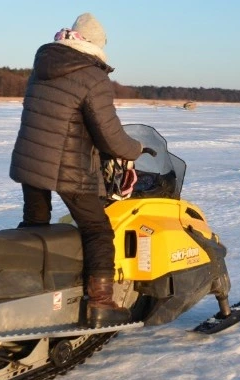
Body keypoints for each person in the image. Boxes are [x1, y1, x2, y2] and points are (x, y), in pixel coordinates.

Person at [10, 12, 143, 328]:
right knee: (97, 228)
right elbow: (108, 134)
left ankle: (30, 288)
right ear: (96, 44)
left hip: (30, 161)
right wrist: (136, 150)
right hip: (67, 166)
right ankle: (100, 302)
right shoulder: (92, 76)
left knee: (36, 224)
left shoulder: (43, 66)